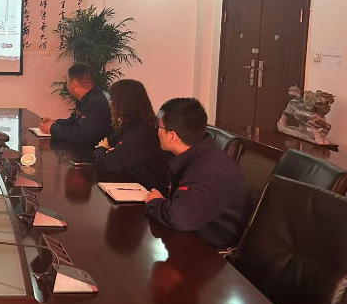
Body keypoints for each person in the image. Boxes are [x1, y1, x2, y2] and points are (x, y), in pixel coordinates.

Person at [145, 98, 252, 249]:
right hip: (196, 234)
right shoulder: (197, 154)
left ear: (172, 136)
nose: (157, 132)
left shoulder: (205, 170)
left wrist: (155, 202)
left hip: (213, 252)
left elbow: (180, 217)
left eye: (159, 127)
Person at [93, 79, 169, 190]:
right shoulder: (133, 124)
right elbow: (110, 142)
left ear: (121, 103)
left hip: (147, 192)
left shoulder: (141, 133)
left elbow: (106, 164)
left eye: (112, 100)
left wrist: (102, 149)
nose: (110, 104)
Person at [39, 64, 112, 156]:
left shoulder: (95, 102)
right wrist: (55, 122)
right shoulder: (87, 97)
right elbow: (74, 121)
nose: (67, 84)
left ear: (74, 84)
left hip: (93, 154)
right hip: (83, 149)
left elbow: (83, 135)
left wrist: (53, 128)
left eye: (68, 81)